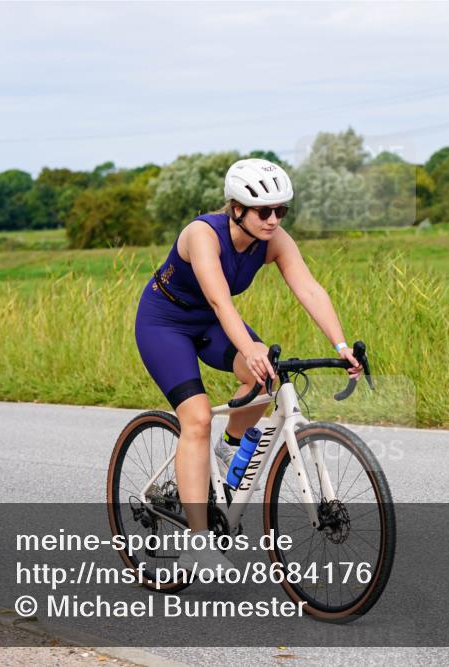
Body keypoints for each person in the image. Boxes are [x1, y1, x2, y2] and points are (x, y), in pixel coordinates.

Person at [134, 158, 361, 573]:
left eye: (281, 211)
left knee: (267, 377)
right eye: (264, 211)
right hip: (165, 324)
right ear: (236, 207)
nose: (274, 219)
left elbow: (309, 288)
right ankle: (197, 542)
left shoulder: (274, 239)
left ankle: (227, 447)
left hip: (209, 324)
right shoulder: (203, 234)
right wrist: (250, 348)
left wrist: (341, 343)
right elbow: (220, 300)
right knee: (197, 418)